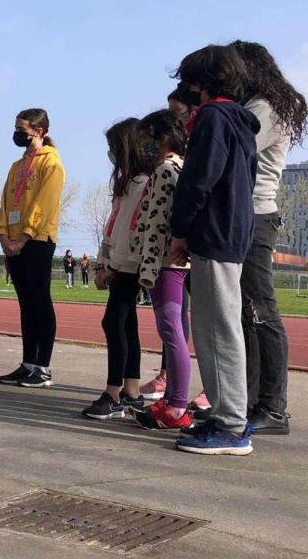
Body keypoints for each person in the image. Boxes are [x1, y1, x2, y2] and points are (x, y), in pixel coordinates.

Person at [169, 44, 259, 456]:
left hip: (215, 232)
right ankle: (228, 414)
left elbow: (198, 179)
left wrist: (181, 229)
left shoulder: (212, 117)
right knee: (220, 326)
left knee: (216, 330)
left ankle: (231, 425)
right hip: (232, 230)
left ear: (201, 82)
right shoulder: (239, 121)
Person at [231, 40, 306, 436]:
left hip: (256, 215)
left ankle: (273, 406)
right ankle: (250, 399)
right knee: (248, 310)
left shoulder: (266, 108)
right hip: (247, 214)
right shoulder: (256, 105)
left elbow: (233, 148)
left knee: (261, 310)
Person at [130, 109, 193, 430]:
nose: (144, 145)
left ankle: (177, 405)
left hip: (166, 262)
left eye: (147, 138)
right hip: (169, 261)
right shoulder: (176, 166)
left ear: (163, 137)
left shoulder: (167, 169)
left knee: (171, 331)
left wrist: (149, 262)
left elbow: (157, 220)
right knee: (172, 331)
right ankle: (172, 400)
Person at [0, 109, 65, 388]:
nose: (17, 134)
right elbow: (5, 202)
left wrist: (23, 238)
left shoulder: (52, 164)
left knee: (40, 300)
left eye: (22, 130)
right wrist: (3, 235)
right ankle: (28, 363)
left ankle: (43, 367)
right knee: (25, 303)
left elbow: (43, 206)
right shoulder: (16, 166)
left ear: (39, 131)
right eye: (16, 129)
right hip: (12, 241)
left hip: (37, 240)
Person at [83, 118, 148, 419]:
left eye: (114, 147)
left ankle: (113, 393)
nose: (111, 154)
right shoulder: (125, 184)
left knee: (113, 322)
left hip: (130, 265)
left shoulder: (144, 183)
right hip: (118, 263)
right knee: (127, 324)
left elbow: (135, 231)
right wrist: (102, 262)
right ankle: (131, 392)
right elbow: (112, 228)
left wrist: (114, 266)